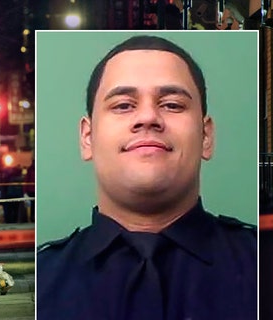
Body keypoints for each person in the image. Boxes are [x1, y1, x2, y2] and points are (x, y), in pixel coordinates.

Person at [37, 35, 256, 319]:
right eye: (123, 105)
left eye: (173, 104)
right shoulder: (42, 281)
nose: (148, 117)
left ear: (206, 136)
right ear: (87, 137)